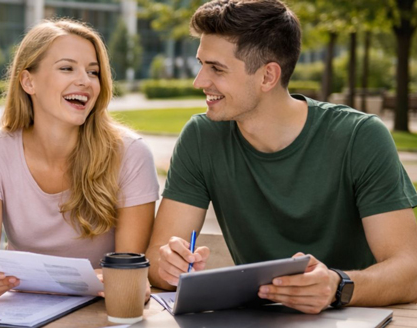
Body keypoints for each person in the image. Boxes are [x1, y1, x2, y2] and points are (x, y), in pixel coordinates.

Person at [146, 0, 417, 314]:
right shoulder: (201, 137)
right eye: (201, 64)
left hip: (351, 317)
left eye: (216, 69)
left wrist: (336, 285)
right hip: (257, 319)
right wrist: (167, 266)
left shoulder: (359, 137)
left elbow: (410, 270)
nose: (199, 82)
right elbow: (156, 259)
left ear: (267, 77)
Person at [0, 18, 160, 302]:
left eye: (93, 72)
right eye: (67, 68)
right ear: (29, 81)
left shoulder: (131, 153)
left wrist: (122, 279)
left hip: (97, 310)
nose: (85, 81)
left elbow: (128, 268)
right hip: (20, 308)